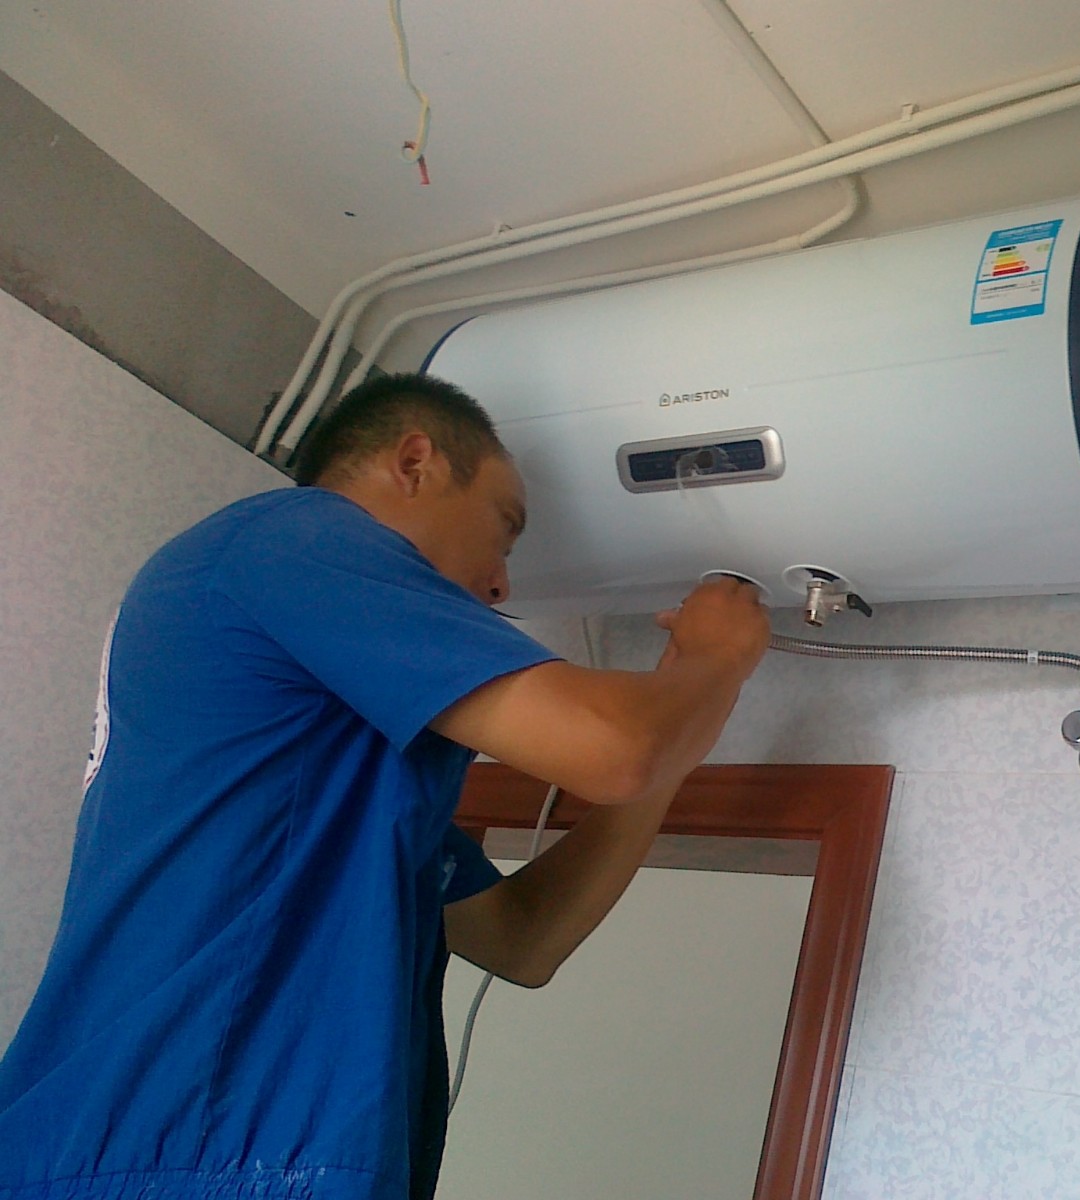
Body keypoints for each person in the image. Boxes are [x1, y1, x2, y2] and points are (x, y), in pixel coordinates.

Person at [0, 373, 770, 1200]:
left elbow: (524, 938)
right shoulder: (292, 535)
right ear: (413, 463)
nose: (502, 584)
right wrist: (716, 659)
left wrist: (681, 718)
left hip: (183, 1149)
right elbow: (615, 748)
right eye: (503, 529)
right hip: (186, 1145)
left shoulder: (341, 771)